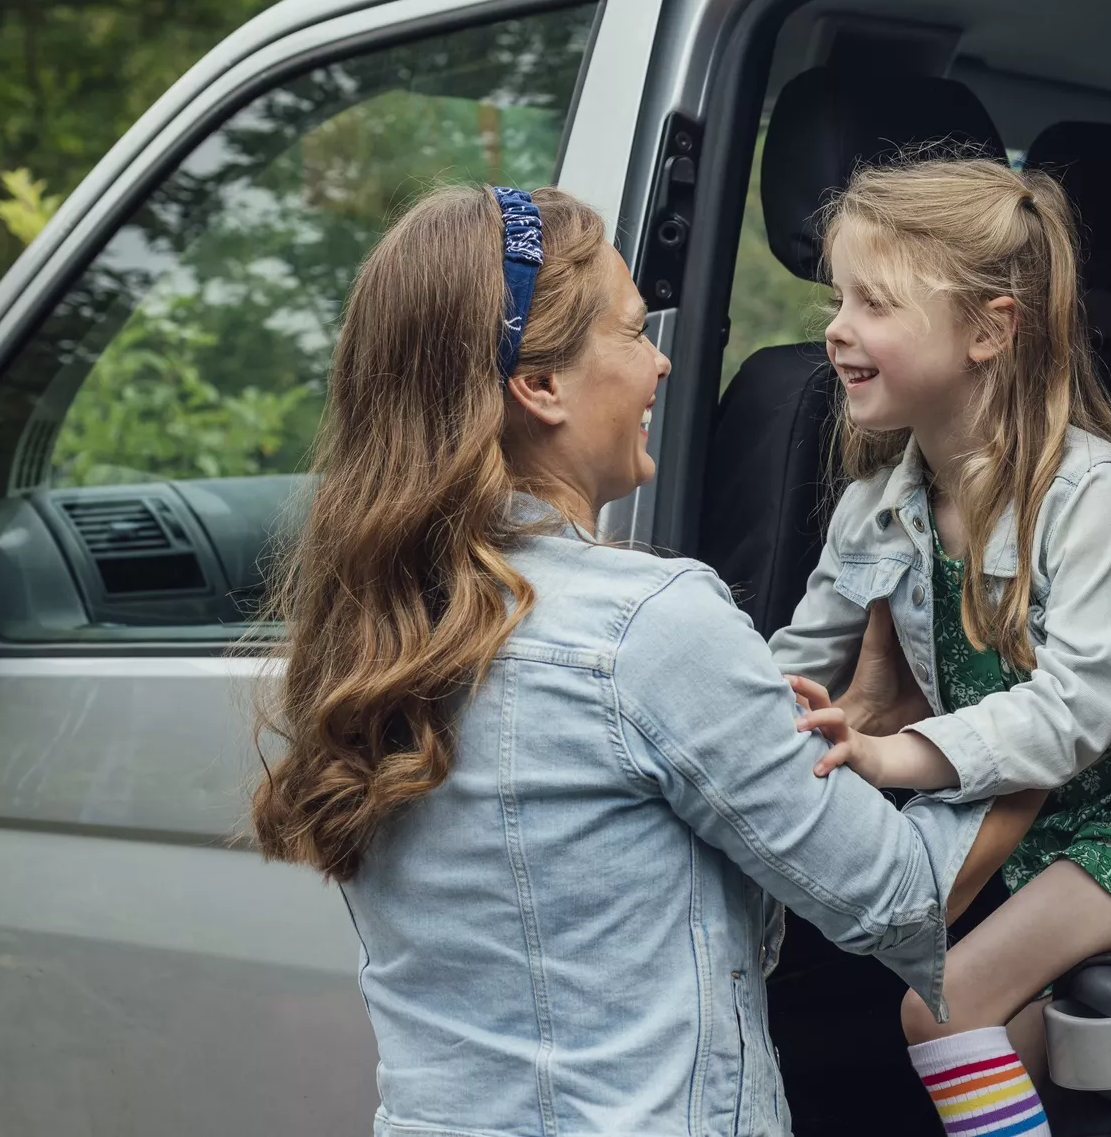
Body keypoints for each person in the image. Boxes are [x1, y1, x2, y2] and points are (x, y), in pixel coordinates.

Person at [249, 183, 1033, 1137]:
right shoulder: (645, 626)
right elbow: (901, 894)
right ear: (540, 386)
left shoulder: (372, 627)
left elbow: (615, 889)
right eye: (630, 332)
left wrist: (849, 726)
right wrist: (1055, 723)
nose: (662, 360)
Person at [771, 159, 1111, 1137]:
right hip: (1061, 820)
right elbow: (797, 661)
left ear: (989, 331)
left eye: (874, 303)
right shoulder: (878, 506)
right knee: (1020, 1045)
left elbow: (1072, 713)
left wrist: (892, 756)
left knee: (942, 1007)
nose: (836, 328)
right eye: (837, 299)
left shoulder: (1091, 496)